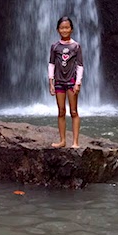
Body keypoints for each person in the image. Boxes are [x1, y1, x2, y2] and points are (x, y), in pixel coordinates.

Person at [48, 16, 83, 148]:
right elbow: (51, 64)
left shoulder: (76, 46)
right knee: (61, 111)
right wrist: (50, 82)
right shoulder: (54, 46)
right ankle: (62, 141)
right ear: (58, 30)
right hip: (58, 82)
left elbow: (80, 66)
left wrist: (78, 83)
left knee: (73, 111)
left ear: (71, 29)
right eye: (62, 28)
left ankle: (75, 142)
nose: (64, 30)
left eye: (67, 27)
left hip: (71, 81)